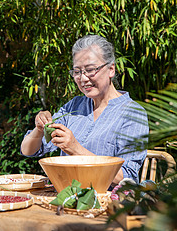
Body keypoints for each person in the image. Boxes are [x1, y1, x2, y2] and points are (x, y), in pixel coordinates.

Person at [21, 35, 149, 186]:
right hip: (63, 197)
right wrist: (39, 129)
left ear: (111, 69)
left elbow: (126, 178)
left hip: (104, 203)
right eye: (77, 72)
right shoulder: (74, 106)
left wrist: (76, 149)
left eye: (90, 70)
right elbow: (28, 150)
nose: (83, 78)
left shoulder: (132, 113)